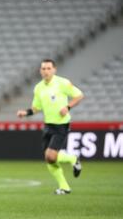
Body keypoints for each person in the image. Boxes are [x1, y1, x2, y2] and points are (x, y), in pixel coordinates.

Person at [17, 59, 84, 195]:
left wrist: (68, 107)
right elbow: (36, 108)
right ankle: (64, 187)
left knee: (51, 155)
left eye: (48, 68)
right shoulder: (39, 88)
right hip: (48, 125)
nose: (46, 71)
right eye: (43, 69)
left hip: (61, 125)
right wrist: (26, 113)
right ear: (40, 71)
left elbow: (79, 95)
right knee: (49, 158)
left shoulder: (62, 83)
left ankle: (73, 159)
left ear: (54, 70)